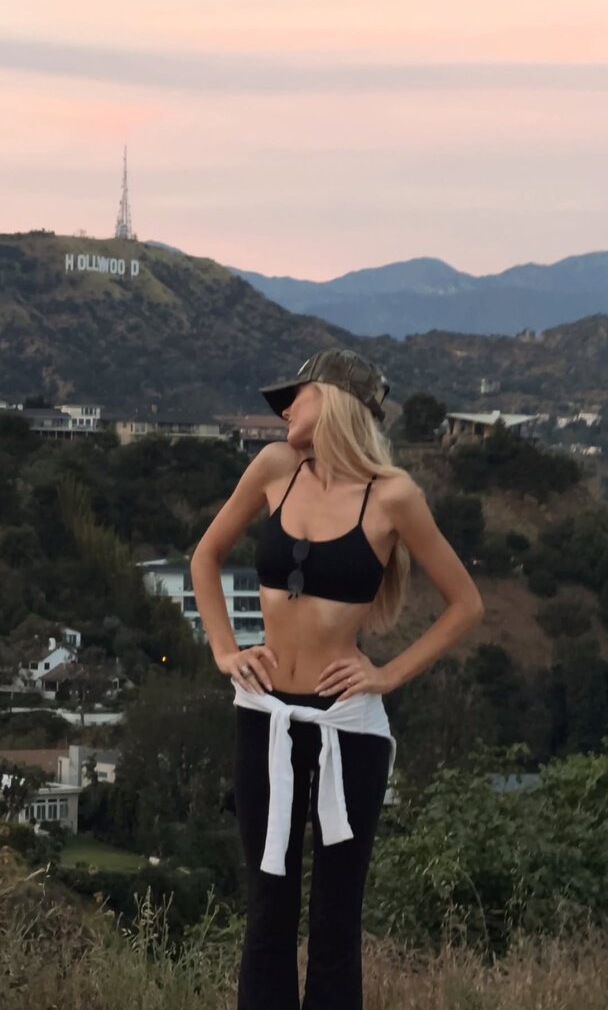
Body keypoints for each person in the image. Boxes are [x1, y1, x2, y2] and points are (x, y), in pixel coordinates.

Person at [190, 347, 484, 1010]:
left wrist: (387, 674)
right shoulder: (274, 467)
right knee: (268, 907)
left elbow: (466, 604)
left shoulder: (394, 496)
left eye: (295, 396)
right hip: (263, 717)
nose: (284, 411)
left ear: (335, 403)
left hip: (347, 727)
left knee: (335, 918)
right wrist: (224, 652)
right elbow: (205, 556)